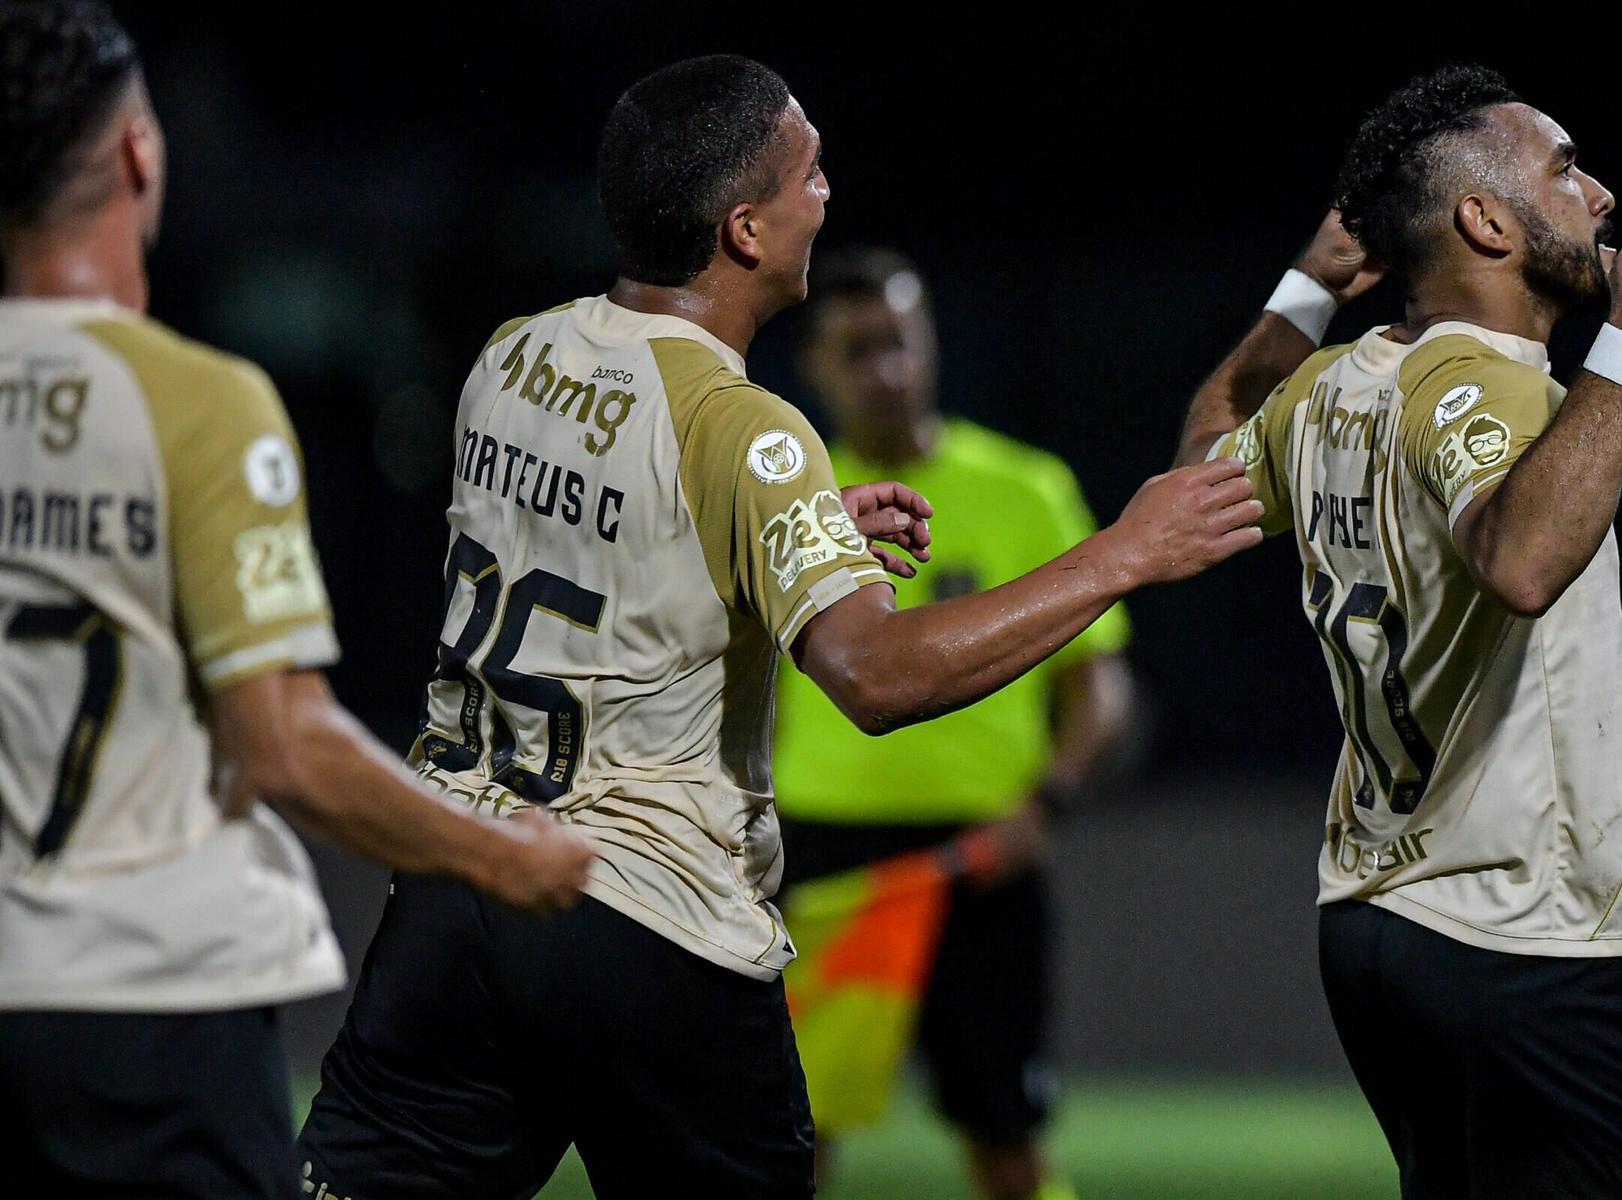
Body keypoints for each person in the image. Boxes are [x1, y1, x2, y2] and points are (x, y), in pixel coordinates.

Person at [295, 53, 1262, 1200]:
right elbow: (871, 676)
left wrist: (787, 530)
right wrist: (1124, 552)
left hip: (458, 889)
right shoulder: (747, 428)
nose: (829, 195)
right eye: (810, 174)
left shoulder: (518, 353)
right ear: (745, 231)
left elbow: (597, 541)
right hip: (646, 918)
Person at [0, 4, 596, 1197]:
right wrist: (500, 856)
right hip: (152, 1007)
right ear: (136, 156)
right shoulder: (200, 405)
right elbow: (282, 745)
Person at [1175, 65, 1622, 1198]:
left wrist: (1299, 293)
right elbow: (1521, 560)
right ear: (1484, 219)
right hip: (1521, 932)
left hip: (1376, 923)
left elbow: (1193, 476)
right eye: (1565, 168)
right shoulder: (1481, 381)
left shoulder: (1333, 383)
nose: (1601, 193)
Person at [772, 247, 1137, 1200]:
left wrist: (1046, 805)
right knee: (788, 1137)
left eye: (900, 341)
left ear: (933, 343)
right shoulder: (787, 503)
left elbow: (1100, 686)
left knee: (1005, 1141)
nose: (886, 369)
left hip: (984, 859)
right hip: (825, 859)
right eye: (858, 350)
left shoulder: (1026, 487)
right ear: (817, 366)